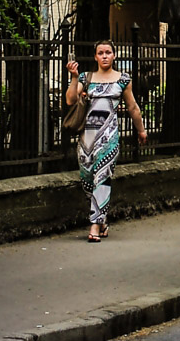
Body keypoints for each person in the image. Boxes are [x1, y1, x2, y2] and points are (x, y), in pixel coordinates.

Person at [65, 39, 147, 243]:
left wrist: (141, 130)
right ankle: (102, 220)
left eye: (108, 52)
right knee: (87, 179)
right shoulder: (86, 77)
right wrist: (74, 77)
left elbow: (133, 107)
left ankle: (94, 224)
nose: (104, 56)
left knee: (102, 177)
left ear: (114, 55)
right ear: (95, 57)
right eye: (100, 53)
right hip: (87, 137)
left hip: (109, 137)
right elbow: (70, 100)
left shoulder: (122, 80)